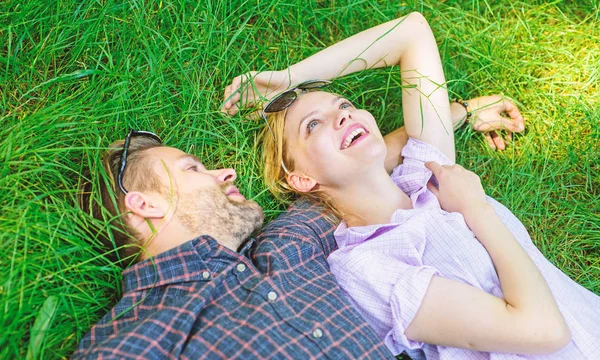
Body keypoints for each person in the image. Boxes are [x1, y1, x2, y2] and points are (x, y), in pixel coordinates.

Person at [224, 11, 600, 360]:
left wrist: (289, 78)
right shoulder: (364, 265)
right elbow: (542, 331)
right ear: (302, 179)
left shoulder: (425, 177)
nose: (342, 116)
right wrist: (477, 210)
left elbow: (411, 32)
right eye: (313, 125)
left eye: (344, 105)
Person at [73, 130, 396, 359]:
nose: (228, 172)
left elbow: (356, 168)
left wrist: (443, 110)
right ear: (144, 206)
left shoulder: (286, 245)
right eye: (193, 168)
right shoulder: (135, 338)